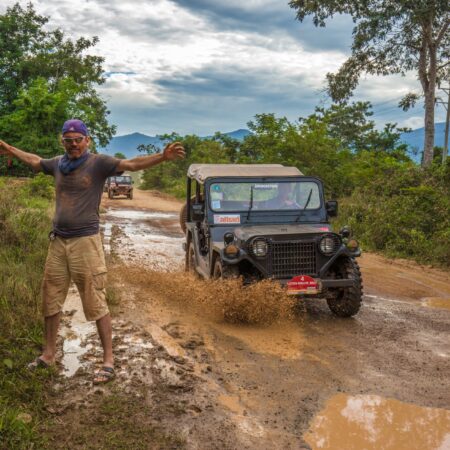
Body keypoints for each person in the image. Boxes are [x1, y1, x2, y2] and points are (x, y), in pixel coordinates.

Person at [0, 119, 185, 384]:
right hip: (58, 242)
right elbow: (35, 161)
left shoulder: (99, 163)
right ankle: (48, 354)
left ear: (87, 140)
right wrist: (11, 149)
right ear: (62, 142)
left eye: (78, 140)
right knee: (50, 297)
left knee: (95, 299)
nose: (74, 145)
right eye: (68, 141)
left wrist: (162, 157)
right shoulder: (58, 164)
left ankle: (108, 361)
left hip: (86, 242)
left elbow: (132, 164)